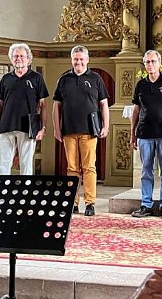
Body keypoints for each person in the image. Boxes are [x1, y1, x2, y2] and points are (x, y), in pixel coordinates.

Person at [53, 45, 110, 217]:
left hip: (89, 130)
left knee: (89, 167)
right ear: (72, 60)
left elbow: (104, 104)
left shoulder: (96, 78)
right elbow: (56, 106)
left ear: (87, 60)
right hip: (69, 130)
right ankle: (73, 202)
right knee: (72, 168)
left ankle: (90, 202)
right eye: (75, 59)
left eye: (81, 59)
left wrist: (105, 126)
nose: (78, 62)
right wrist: (57, 128)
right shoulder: (64, 80)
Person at [130, 50, 162, 220]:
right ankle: (146, 204)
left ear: (160, 63)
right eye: (147, 62)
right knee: (146, 171)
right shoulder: (141, 85)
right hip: (145, 133)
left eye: (153, 61)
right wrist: (133, 133)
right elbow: (136, 110)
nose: (150, 65)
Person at [0, 43, 48, 175]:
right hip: (6, 126)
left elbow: (43, 105)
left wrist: (43, 128)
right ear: (11, 59)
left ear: (29, 59)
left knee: (26, 165)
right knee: (3, 165)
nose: (18, 59)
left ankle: (25, 194)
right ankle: (4, 194)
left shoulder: (37, 78)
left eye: (22, 56)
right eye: (15, 56)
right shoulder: (5, 79)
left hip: (29, 126)